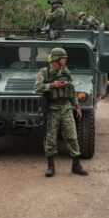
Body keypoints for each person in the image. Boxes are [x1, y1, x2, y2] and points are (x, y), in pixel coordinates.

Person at [34, 47, 88, 178]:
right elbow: (37, 88)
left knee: (72, 136)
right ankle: (50, 166)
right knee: (50, 138)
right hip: (52, 109)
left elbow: (71, 89)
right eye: (64, 58)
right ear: (57, 60)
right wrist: (52, 85)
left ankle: (76, 165)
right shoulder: (44, 72)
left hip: (66, 108)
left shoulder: (66, 71)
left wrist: (77, 106)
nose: (65, 60)